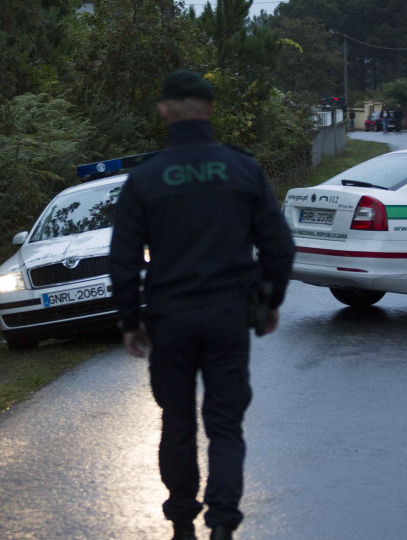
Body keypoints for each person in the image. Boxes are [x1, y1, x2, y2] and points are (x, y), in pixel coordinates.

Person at [108, 69, 295, 540]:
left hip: (170, 319)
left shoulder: (146, 178)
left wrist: (130, 321)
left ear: (164, 111)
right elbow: (279, 246)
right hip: (229, 317)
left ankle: (183, 520)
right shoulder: (243, 169)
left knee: (177, 419)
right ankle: (223, 526)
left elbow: (124, 258)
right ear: (210, 110)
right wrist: (270, 301)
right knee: (225, 425)